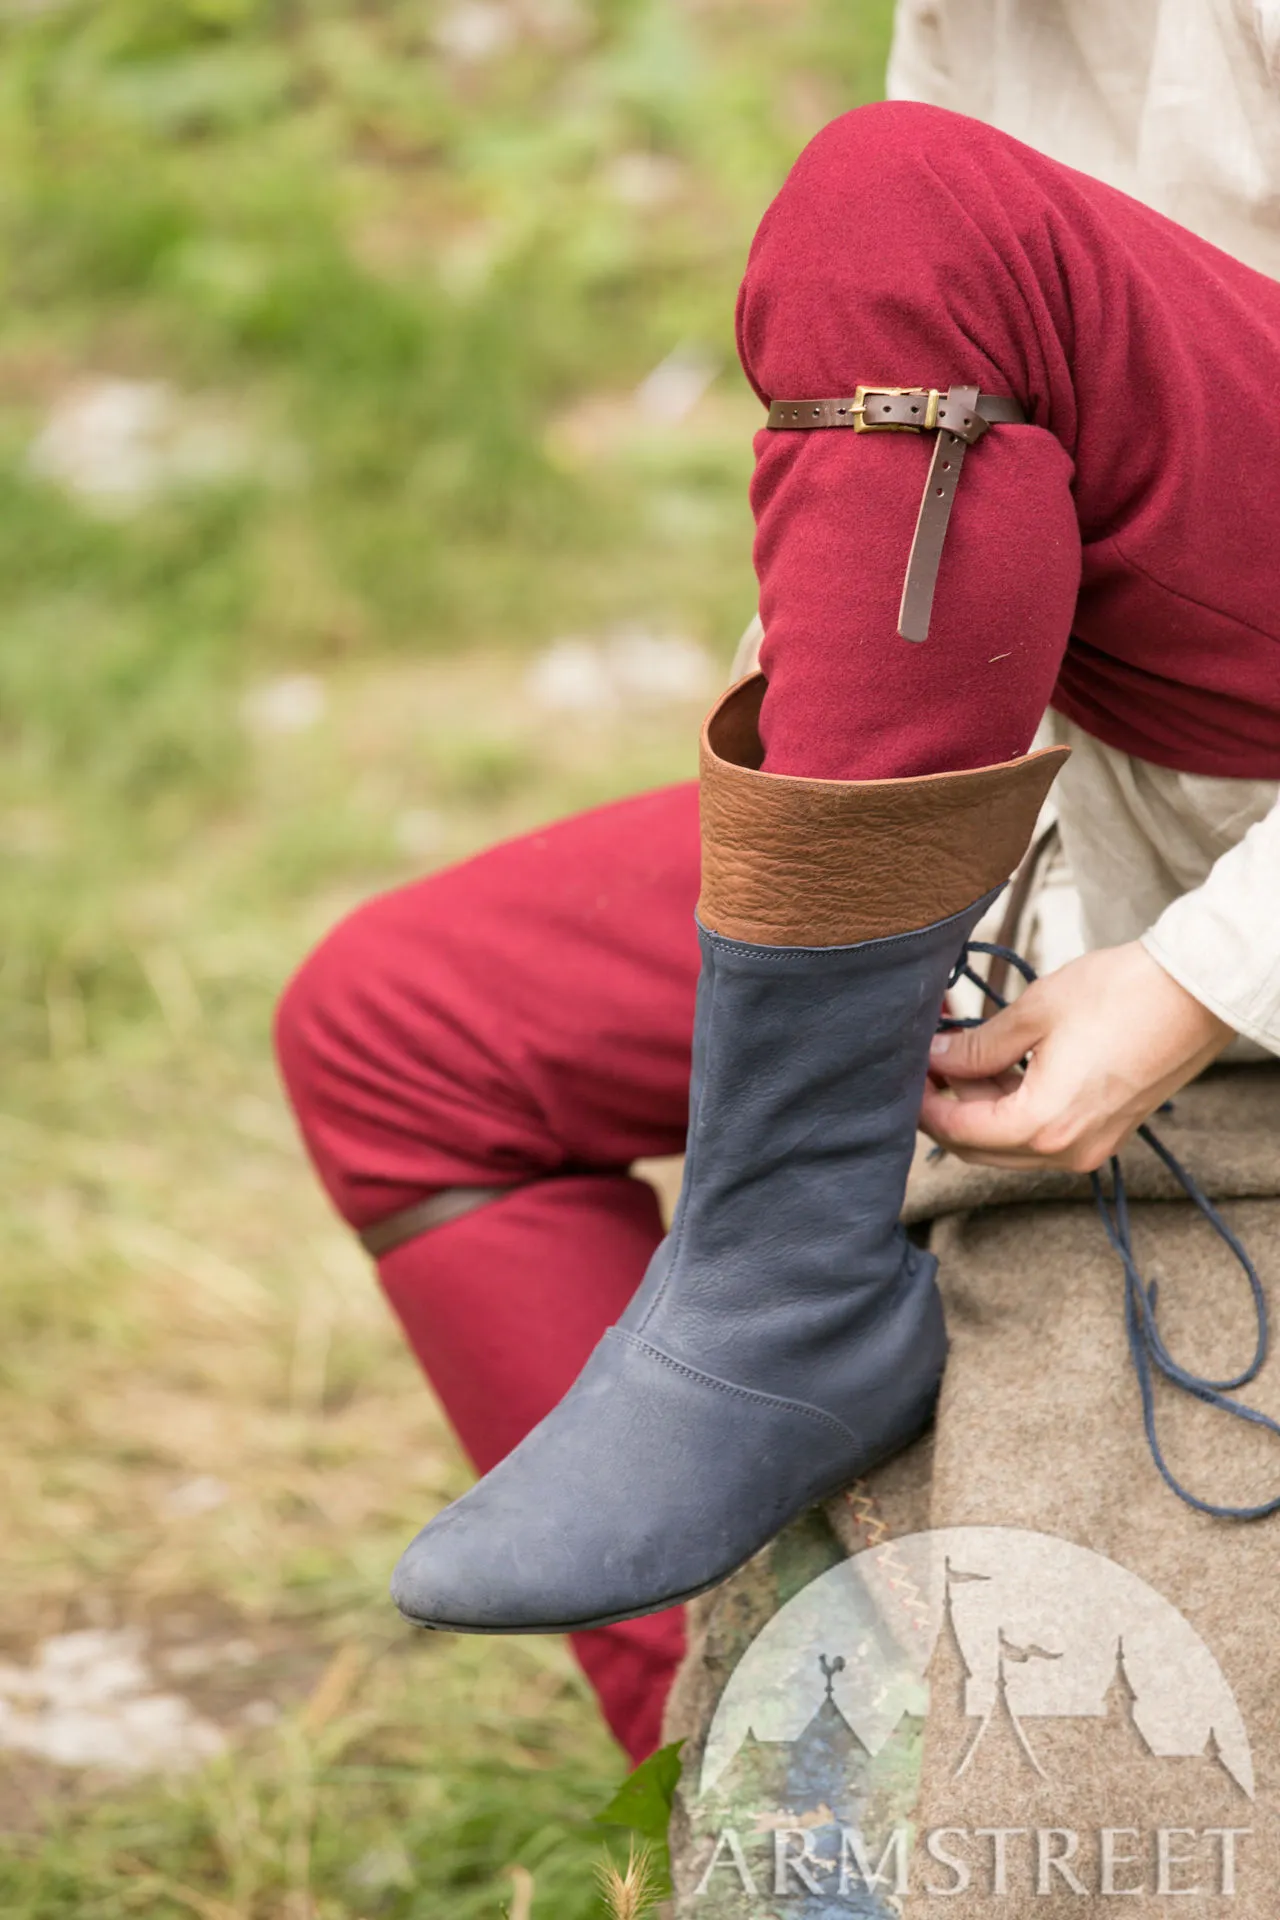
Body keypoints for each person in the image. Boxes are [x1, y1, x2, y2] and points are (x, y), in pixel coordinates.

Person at [275, 5, 1280, 1766]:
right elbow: (941, 471)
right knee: (403, 1028)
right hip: (1106, 783)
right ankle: (765, 1784)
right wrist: (823, 776)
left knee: (901, 205)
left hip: (1233, 823)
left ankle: (784, 1289)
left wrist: (1202, 977)